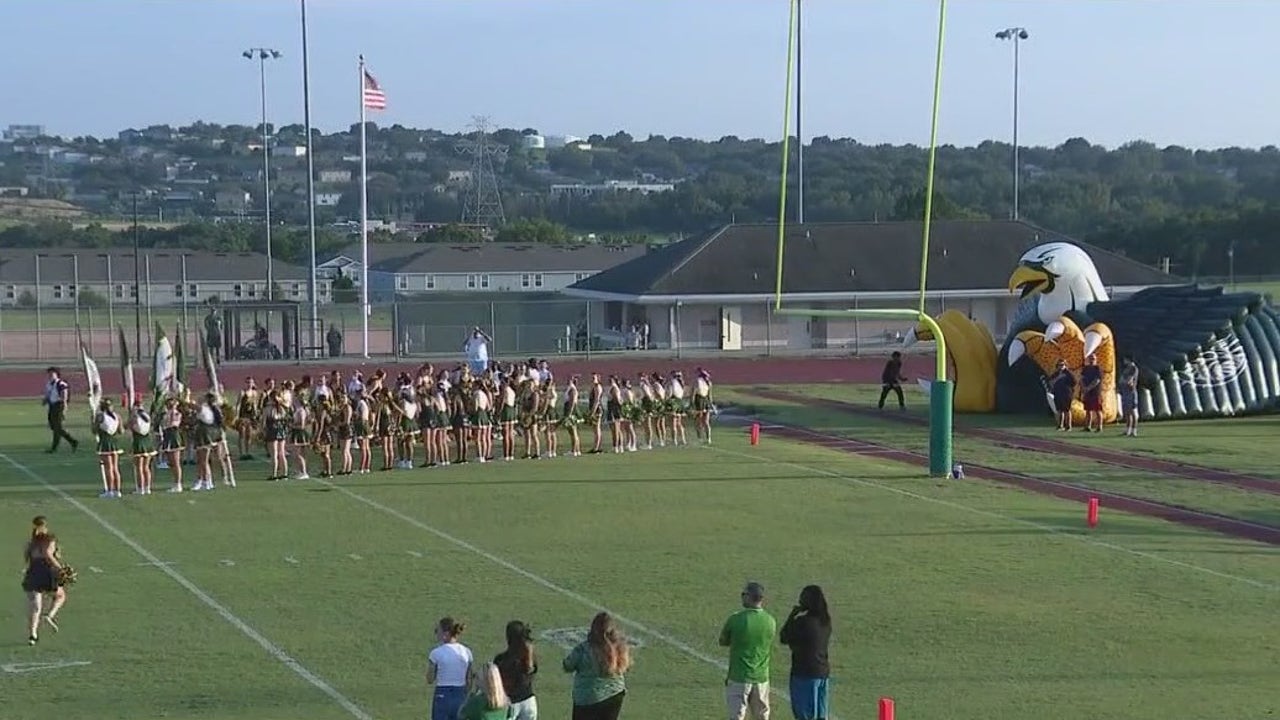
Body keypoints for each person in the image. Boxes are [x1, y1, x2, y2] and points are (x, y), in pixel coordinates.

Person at [719, 581, 777, 720]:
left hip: (739, 676)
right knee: (762, 716)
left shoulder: (736, 619)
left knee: (737, 716)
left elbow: (723, 641)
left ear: (749, 597)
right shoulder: (770, 621)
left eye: (743, 594)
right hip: (761, 677)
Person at [563, 612, 630, 720]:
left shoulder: (584, 649)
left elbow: (567, 666)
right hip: (615, 694)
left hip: (587, 698)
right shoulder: (620, 647)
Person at [779, 585, 832, 720]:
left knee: (804, 714)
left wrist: (792, 615)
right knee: (821, 714)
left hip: (804, 673)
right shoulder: (825, 622)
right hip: (822, 671)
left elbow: (784, 637)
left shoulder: (803, 622)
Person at [22, 516, 69, 646]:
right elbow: (48, 554)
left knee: (35, 605)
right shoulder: (49, 538)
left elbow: (27, 556)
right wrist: (60, 568)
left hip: (33, 572)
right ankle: (50, 615)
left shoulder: (32, 542)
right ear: (45, 526)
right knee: (60, 596)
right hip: (46, 571)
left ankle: (33, 635)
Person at [427, 617, 474, 720]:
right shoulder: (467, 652)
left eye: (438, 631)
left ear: (446, 633)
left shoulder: (436, 653)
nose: (436, 633)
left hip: (442, 694)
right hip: (460, 694)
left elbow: (430, 679)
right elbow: (469, 680)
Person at [494, 620, 539, 720]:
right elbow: (530, 670)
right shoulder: (529, 658)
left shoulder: (501, 660)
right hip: (529, 701)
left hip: (511, 703)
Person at [42, 366, 79, 453]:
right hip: (52, 406)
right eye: (49, 374)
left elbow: (64, 396)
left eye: (52, 373)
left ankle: (56, 447)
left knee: (57, 427)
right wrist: (45, 400)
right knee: (54, 427)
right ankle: (72, 442)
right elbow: (49, 394)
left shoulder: (61, 384)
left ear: (56, 374)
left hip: (59, 406)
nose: (50, 375)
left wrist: (64, 408)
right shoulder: (49, 384)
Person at [1049, 360, 1077, 431]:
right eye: (1059, 365)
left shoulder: (1068, 374)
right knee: (1059, 410)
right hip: (1058, 394)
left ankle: (1068, 426)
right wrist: (1057, 379)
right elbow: (1050, 382)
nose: (1060, 366)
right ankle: (1060, 425)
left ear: (1065, 365)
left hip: (1066, 394)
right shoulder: (1056, 374)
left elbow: (1074, 382)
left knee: (1067, 410)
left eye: (1062, 365)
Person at [1080, 353, 1104, 432]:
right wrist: (1083, 388)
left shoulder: (1098, 369)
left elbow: (1097, 380)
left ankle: (1099, 427)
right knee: (1088, 410)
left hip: (1095, 392)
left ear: (1096, 359)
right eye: (1090, 358)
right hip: (1087, 393)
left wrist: (1088, 388)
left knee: (1098, 410)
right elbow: (1082, 378)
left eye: (1093, 358)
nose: (1091, 360)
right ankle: (1088, 426)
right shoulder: (1085, 369)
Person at [1119, 357, 1140, 437]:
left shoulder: (1133, 368)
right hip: (1125, 392)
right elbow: (1121, 380)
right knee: (1127, 412)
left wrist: (1124, 381)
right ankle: (1128, 430)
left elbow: (1129, 380)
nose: (1124, 361)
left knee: (1133, 412)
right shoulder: (1126, 369)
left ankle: (1134, 431)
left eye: (1125, 359)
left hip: (1131, 392)